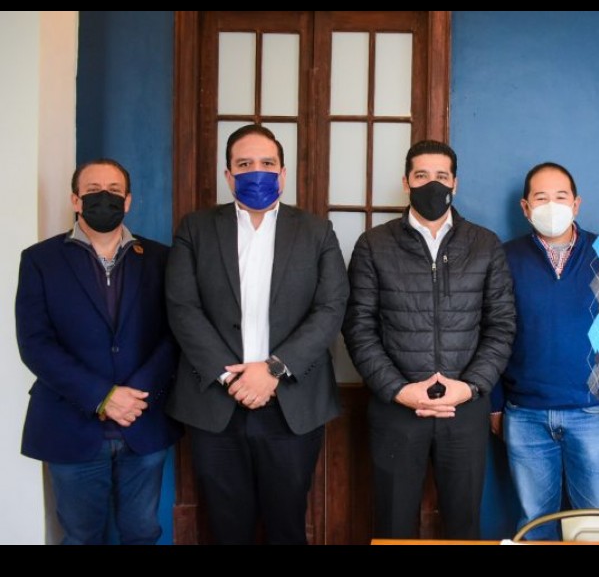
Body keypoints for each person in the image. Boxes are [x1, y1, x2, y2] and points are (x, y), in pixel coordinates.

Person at [165, 124, 349, 545]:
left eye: (267, 163)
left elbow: (331, 308)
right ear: (228, 175)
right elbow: (182, 307)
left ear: (283, 173)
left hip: (291, 403)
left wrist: (272, 370)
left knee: (287, 526)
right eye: (244, 164)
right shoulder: (195, 229)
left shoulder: (316, 231)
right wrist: (231, 377)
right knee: (227, 528)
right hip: (216, 403)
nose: (256, 172)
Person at [343, 139, 516, 539]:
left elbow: (502, 325)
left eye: (441, 175)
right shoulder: (374, 244)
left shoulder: (484, 244)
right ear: (406, 182)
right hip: (397, 408)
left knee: (463, 526)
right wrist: (398, 389)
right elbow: (358, 327)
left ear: (455, 182)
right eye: (421, 175)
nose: (432, 184)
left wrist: (469, 387)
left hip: (464, 408)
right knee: (393, 526)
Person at [15, 159, 181, 545]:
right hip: (69, 425)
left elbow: (176, 334)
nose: (103, 198)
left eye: (113, 191)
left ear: (128, 201)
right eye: (92, 191)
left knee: (142, 532)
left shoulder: (161, 259)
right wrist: (103, 396)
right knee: (81, 536)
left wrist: (134, 396)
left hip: (143, 421)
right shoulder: (40, 260)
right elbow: (35, 343)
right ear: (75, 200)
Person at [491, 162, 599, 540]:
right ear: (525, 207)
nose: (551, 205)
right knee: (534, 523)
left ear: (576, 204)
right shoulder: (505, 258)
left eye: (560, 197)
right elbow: (491, 334)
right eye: (541, 197)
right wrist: (494, 405)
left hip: (592, 412)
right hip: (524, 415)